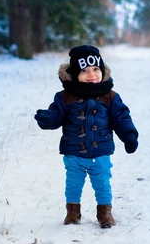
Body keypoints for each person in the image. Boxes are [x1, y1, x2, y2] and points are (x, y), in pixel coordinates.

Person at [34, 45, 139, 228]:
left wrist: (129, 135)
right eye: (85, 71)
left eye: (96, 69)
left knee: (102, 184)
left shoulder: (110, 97)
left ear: (103, 70)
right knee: (73, 185)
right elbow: (56, 116)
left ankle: (105, 213)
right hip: (74, 154)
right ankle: (73, 213)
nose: (92, 74)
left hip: (101, 154)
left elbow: (122, 118)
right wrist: (47, 119)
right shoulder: (65, 97)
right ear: (75, 75)